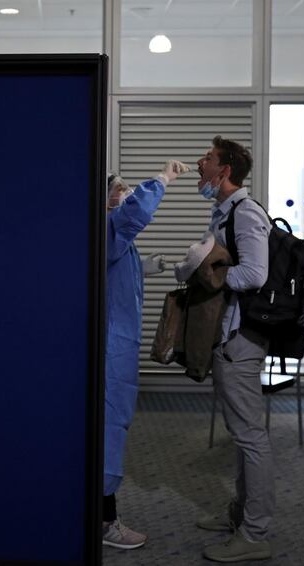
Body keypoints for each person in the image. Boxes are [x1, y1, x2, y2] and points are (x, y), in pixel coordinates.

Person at [193, 136, 273, 563]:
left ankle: (255, 535)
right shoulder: (224, 210)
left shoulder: (245, 213)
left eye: (207, 159)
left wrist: (212, 274)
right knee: (243, 436)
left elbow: (255, 275)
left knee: (250, 436)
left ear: (224, 172)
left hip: (242, 340)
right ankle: (238, 515)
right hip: (230, 336)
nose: (200, 164)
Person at [103, 160, 190, 549]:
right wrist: (163, 179)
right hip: (110, 349)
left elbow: (117, 267)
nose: (121, 194)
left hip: (115, 346)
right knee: (106, 430)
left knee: (110, 426)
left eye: (123, 187)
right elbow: (135, 213)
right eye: (116, 189)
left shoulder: (109, 233)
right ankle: (105, 522)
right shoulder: (107, 225)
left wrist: (146, 266)